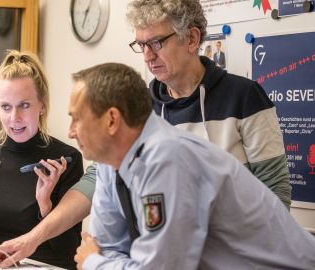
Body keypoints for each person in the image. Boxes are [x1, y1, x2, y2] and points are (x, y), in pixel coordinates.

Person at [70, 62, 315, 270]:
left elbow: (150, 268)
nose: (70, 132)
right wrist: (100, 261)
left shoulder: (166, 156)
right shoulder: (109, 163)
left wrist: (94, 263)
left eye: (77, 119)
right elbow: (108, 246)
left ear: (112, 120)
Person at [126, 0, 291, 208]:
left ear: (191, 39)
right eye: (141, 45)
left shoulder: (245, 96)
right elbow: (108, 174)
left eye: (156, 42)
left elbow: (275, 190)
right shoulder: (140, 109)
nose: (147, 57)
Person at [0, 50, 84, 269]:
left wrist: (46, 205)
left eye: (24, 105)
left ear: (42, 105)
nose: (14, 118)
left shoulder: (66, 160)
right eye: (6, 107)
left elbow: (69, 252)